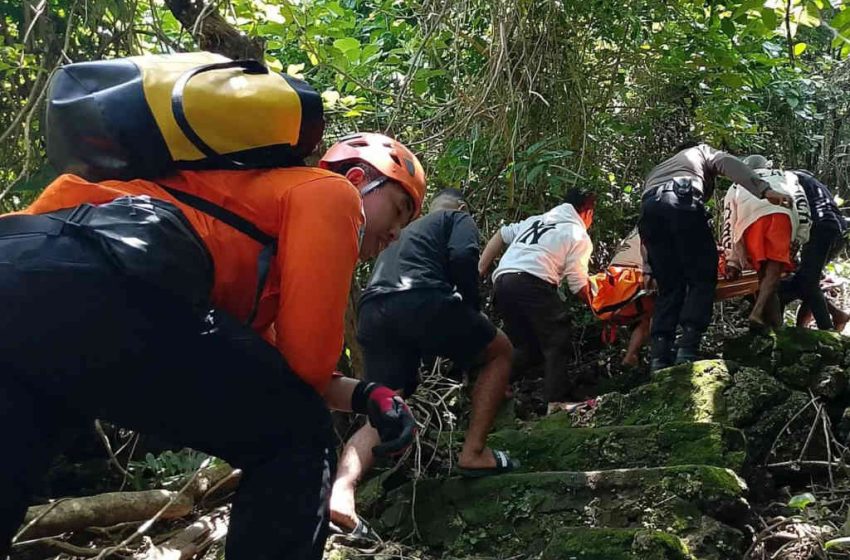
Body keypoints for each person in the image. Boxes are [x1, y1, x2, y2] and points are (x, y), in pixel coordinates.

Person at [0, 132, 426, 560]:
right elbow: (305, 371)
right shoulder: (332, 193)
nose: (395, 233)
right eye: (398, 209)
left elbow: (270, 369)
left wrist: (368, 395)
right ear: (357, 179)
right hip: (106, 278)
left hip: (22, 269)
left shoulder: (241, 226)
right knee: (299, 434)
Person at [330, 188, 515, 533]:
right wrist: (471, 312)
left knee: (385, 401)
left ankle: (341, 492)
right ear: (461, 207)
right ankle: (474, 453)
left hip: (374, 309)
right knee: (500, 352)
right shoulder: (456, 217)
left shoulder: (404, 233)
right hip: (420, 297)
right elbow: (463, 255)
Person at [639, 142, 792, 371]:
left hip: (649, 211)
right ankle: (687, 350)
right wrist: (764, 190)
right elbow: (726, 162)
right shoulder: (699, 151)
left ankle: (659, 357)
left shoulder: (659, 170)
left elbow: (645, 231)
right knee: (702, 274)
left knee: (670, 285)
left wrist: (648, 267)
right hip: (681, 198)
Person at [479, 188, 595, 414]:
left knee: (527, 347)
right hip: (532, 282)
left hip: (503, 282)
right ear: (587, 213)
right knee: (557, 337)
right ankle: (556, 402)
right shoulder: (576, 233)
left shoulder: (537, 221)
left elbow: (501, 234)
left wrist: (480, 268)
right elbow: (578, 284)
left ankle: (492, 385)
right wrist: (602, 307)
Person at [722, 155, 811, 331]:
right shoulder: (786, 176)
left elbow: (729, 218)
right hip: (782, 212)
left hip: (750, 219)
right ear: (768, 166)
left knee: (763, 274)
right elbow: (802, 203)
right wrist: (801, 236)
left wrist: (731, 258)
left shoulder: (737, 182)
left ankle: (775, 326)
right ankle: (758, 313)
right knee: (773, 271)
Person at [780, 167, 850, 331]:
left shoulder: (786, 179)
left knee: (806, 282)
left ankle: (827, 331)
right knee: (806, 280)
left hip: (820, 228)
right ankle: (806, 328)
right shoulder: (812, 183)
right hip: (837, 229)